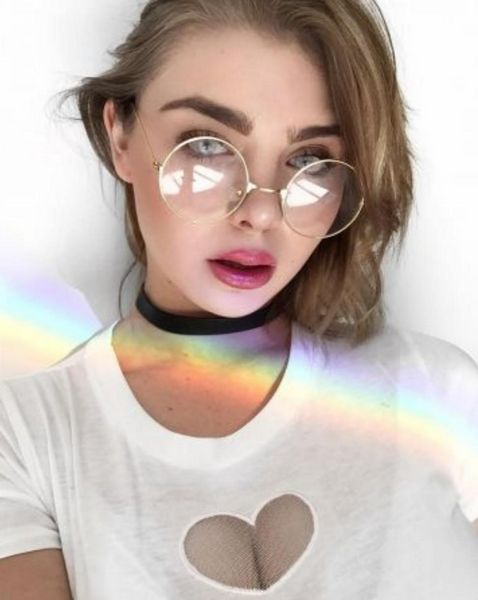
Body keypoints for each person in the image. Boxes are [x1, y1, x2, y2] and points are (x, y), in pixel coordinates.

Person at [0, 0, 477, 598]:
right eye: (206, 146)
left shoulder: (439, 392)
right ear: (119, 134)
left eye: (308, 160)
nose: (260, 211)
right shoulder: (24, 436)